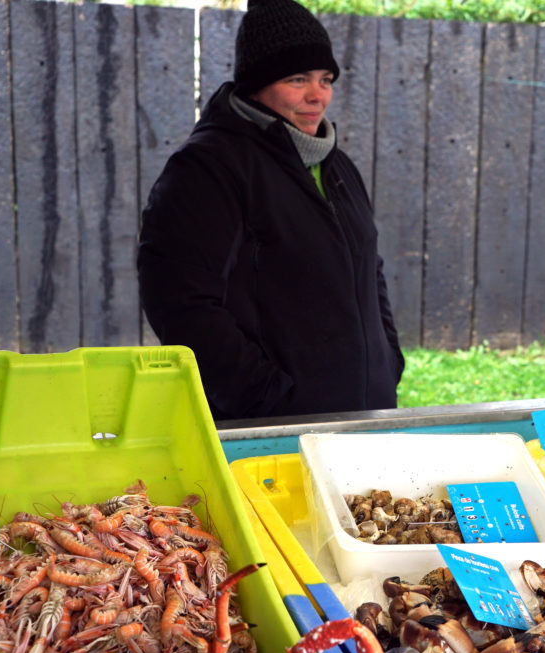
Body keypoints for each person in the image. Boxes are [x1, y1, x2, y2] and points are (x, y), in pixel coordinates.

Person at [137, 0, 404, 421]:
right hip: (271, 431)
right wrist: (265, 399)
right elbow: (181, 305)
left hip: (362, 420)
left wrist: (388, 363)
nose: (318, 95)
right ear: (256, 85)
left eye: (325, 79)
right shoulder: (208, 167)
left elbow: (370, 272)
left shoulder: (336, 165)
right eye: (298, 79)